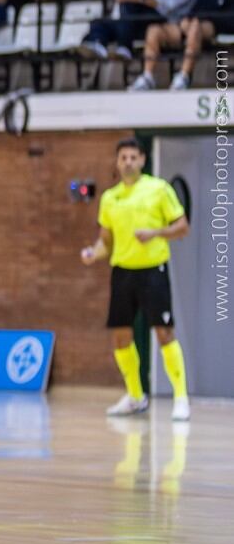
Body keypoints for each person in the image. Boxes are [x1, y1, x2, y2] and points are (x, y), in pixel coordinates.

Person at [80, 138, 191, 420]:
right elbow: (106, 241)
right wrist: (93, 253)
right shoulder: (110, 198)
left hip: (153, 270)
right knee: (120, 336)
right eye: (123, 158)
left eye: (133, 157)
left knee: (163, 333)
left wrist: (155, 233)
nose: (128, 162)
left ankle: (180, 397)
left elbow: (182, 227)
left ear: (142, 160)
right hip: (122, 272)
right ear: (117, 162)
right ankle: (135, 396)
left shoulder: (159, 189)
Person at [124, 0, 203, 90]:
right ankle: (148, 76)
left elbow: (170, 4)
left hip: (180, 24)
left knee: (192, 27)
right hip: (162, 23)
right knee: (152, 29)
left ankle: (183, 76)